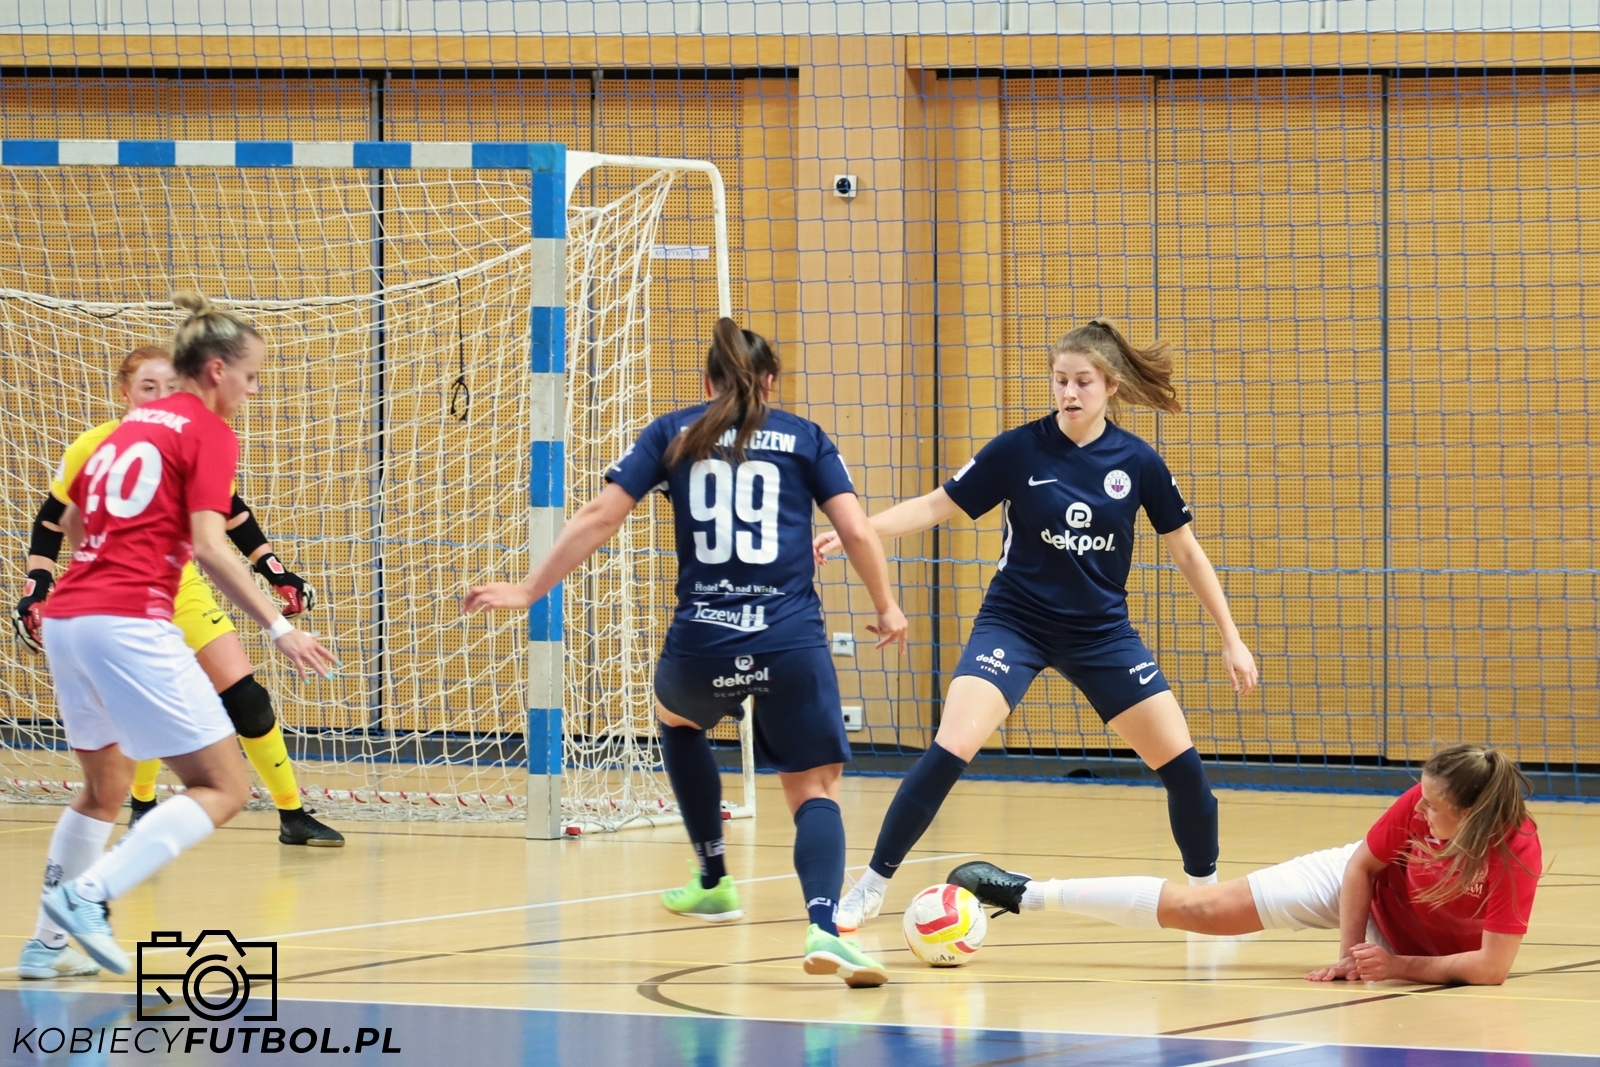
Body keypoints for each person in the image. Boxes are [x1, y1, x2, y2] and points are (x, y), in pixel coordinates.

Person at [467, 317, 908, 988]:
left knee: (678, 721)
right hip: (789, 639)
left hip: (702, 640)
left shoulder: (672, 432)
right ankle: (823, 925)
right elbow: (855, 530)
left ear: (706, 383)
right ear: (771, 383)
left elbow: (600, 515)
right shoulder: (805, 437)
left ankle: (712, 876)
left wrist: (531, 589)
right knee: (814, 788)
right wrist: (887, 606)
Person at [814, 319, 1259, 931]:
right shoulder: (1018, 449)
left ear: (1111, 386)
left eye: (1083, 381)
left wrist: (1232, 639)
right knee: (950, 747)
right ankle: (870, 885)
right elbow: (937, 505)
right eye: (1060, 380)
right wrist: (857, 532)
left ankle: (1206, 899)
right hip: (1015, 624)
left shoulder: (1138, 462)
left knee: (1185, 772)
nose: (1069, 392)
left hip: (1101, 633)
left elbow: (1186, 551)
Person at [30, 293, 338, 978]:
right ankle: (87, 895)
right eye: (251, 377)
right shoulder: (207, 431)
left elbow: (70, 523)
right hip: (127, 619)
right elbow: (208, 543)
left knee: (102, 788)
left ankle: (44, 946)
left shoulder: (122, 430)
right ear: (217, 370)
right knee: (223, 785)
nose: (254, 391)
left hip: (69, 620)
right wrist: (279, 625)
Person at [948, 743, 1541, 986]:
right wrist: (1349, 954)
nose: (1420, 810)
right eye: (1422, 799)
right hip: (1366, 892)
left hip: (1412, 951)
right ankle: (1028, 892)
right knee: (1202, 908)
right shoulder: (1420, 803)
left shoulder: (1515, 852)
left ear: (1471, 814)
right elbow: (1361, 867)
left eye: (1434, 806)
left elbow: (1491, 968)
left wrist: (1394, 966)